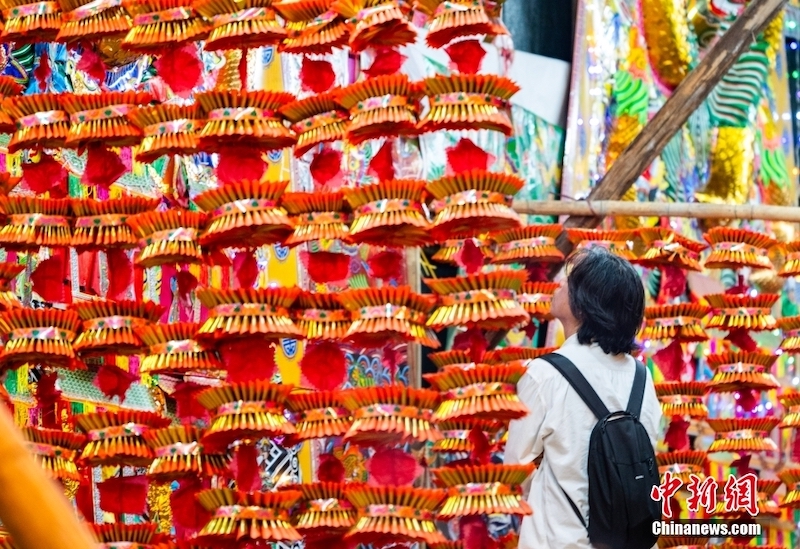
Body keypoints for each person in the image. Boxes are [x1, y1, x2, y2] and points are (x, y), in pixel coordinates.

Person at [504, 246, 663, 549]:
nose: (559, 286)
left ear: (585, 302)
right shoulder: (642, 378)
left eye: (567, 281)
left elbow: (514, 471)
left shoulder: (544, 375)